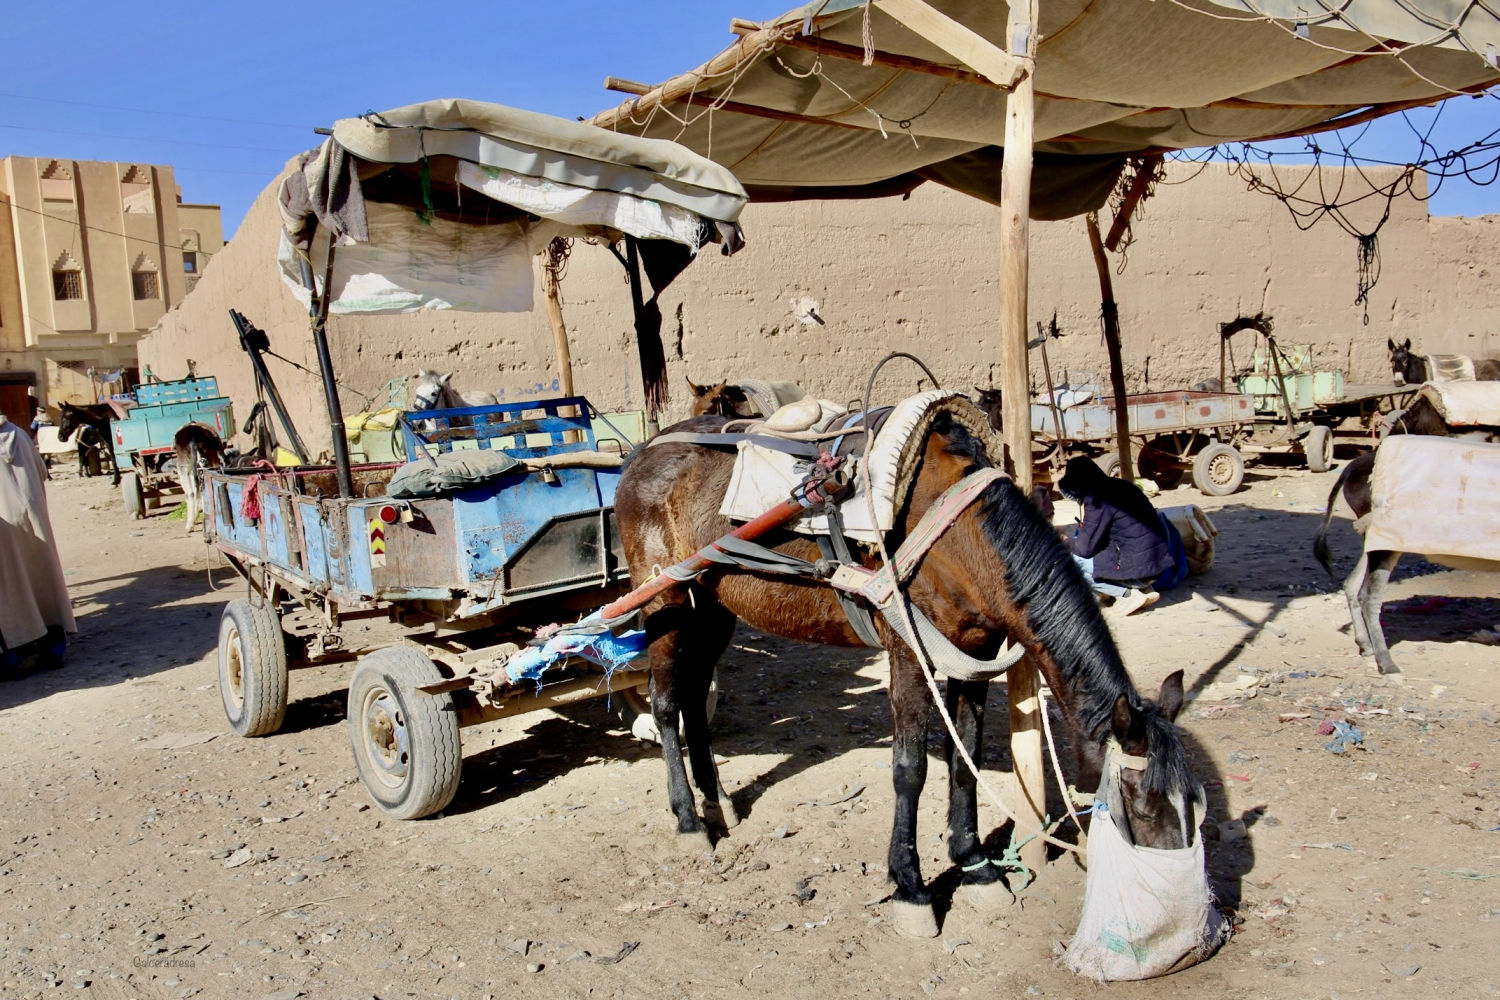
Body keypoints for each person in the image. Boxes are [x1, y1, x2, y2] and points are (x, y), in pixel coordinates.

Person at [1057, 456, 1187, 616]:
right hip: (1159, 567)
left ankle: (1128, 594)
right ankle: (1143, 588)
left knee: (1069, 560)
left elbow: (1084, 549)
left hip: (1142, 571)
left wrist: (1064, 541)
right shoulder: (1123, 486)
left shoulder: (1096, 499)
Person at [0, 413, 75, 675]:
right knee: (45, 582)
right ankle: (54, 649)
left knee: (12, 591)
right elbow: (42, 473)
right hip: (35, 519)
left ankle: (16, 656)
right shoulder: (20, 435)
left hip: (5, 528)